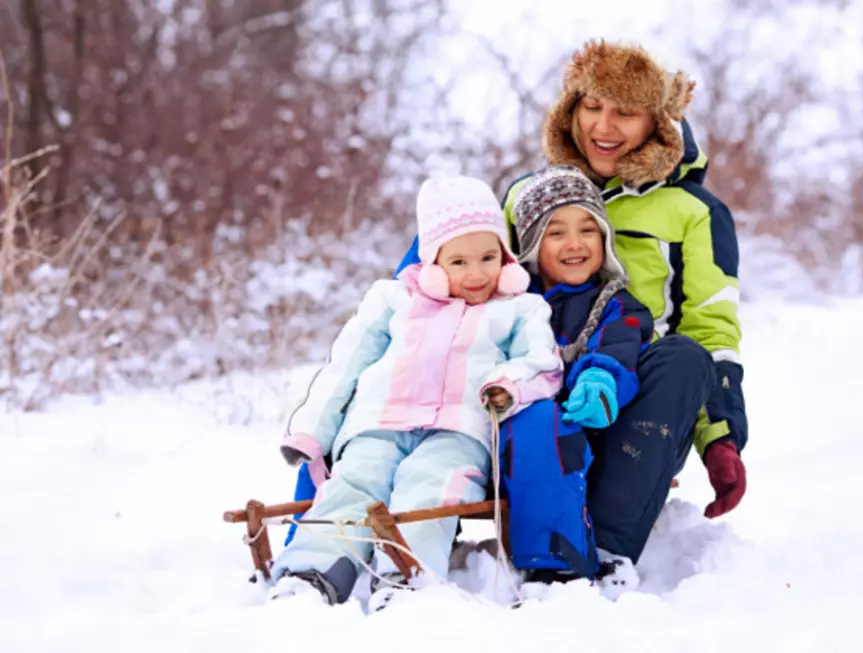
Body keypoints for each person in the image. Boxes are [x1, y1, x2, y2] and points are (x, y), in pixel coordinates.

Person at [502, 39, 749, 580]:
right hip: (532, 385)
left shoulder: (694, 213)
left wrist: (720, 437)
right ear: (571, 110)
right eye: (592, 106)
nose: (604, 126)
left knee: (683, 356)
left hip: (637, 408)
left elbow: (711, 329)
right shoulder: (528, 193)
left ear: (657, 123)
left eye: (626, 112)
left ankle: (608, 551)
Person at [269, 176, 564, 610]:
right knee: (352, 485)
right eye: (458, 262)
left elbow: (543, 364)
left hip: (459, 430)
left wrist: (507, 385)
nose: (477, 273)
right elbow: (345, 367)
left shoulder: (520, 308)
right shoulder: (392, 300)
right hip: (377, 422)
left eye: (488, 257)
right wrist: (313, 433)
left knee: (431, 487)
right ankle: (311, 574)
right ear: (433, 261)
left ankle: (406, 578)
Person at [499, 164, 656, 589]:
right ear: (532, 243)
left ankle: (556, 561)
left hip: (574, 432)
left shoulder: (615, 304)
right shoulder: (506, 300)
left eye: (588, 229)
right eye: (556, 232)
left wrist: (600, 379)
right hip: (491, 423)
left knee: (545, 422)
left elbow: (619, 345)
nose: (575, 244)